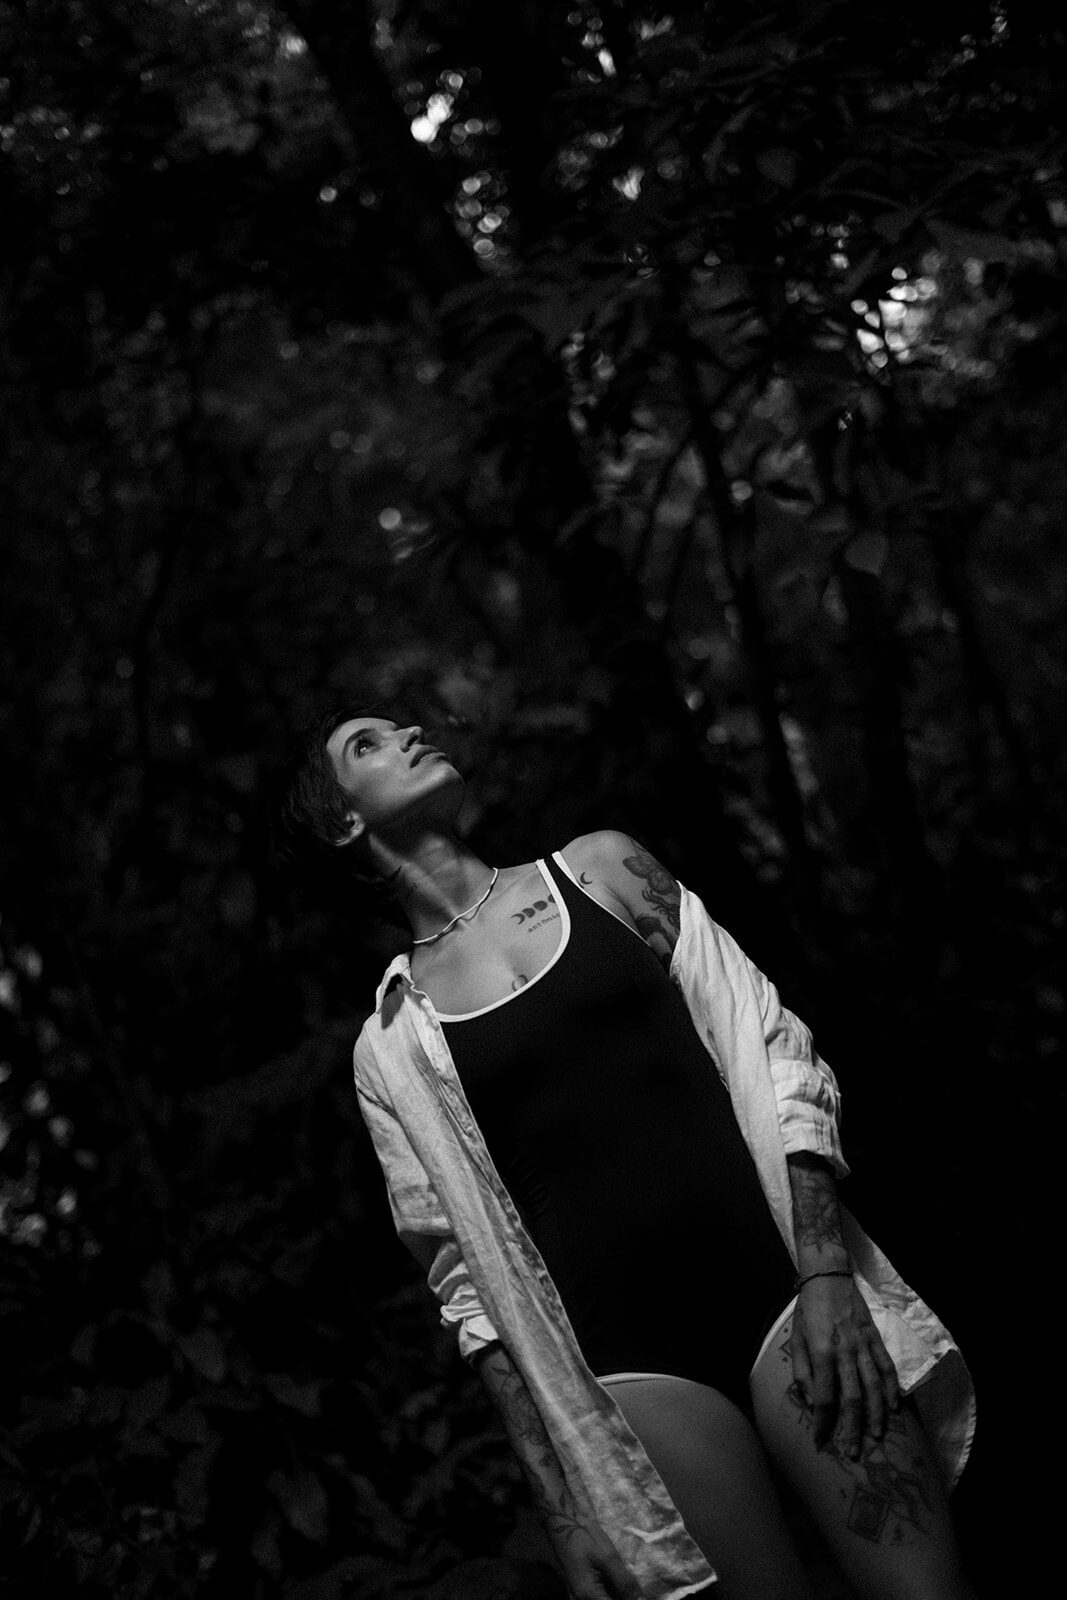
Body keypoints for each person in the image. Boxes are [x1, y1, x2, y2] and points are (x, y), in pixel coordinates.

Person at [277, 708, 977, 1600]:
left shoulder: (599, 871)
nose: (410, 731)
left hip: (782, 1288)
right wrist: (564, 1510)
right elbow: (464, 1288)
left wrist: (827, 1273)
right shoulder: (390, 1045)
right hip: (637, 1374)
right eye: (367, 744)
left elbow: (773, 1049)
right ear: (343, 821)